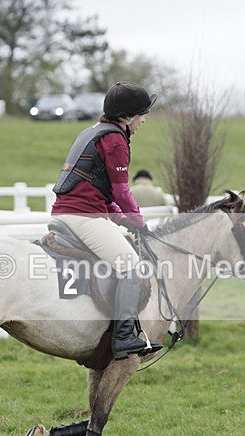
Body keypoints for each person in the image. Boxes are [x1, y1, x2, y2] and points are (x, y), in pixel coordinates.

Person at [51, 81, 163, 360]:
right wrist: (139, 222)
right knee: (132, 267)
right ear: (127, 116)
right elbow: (122, 190)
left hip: (75, 211)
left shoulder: (95, 131)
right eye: (142, 114)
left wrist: (122, 219)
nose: (144, 120)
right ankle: (123, 337)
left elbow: (99, 190)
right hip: (82, 216)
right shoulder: (114, 139)